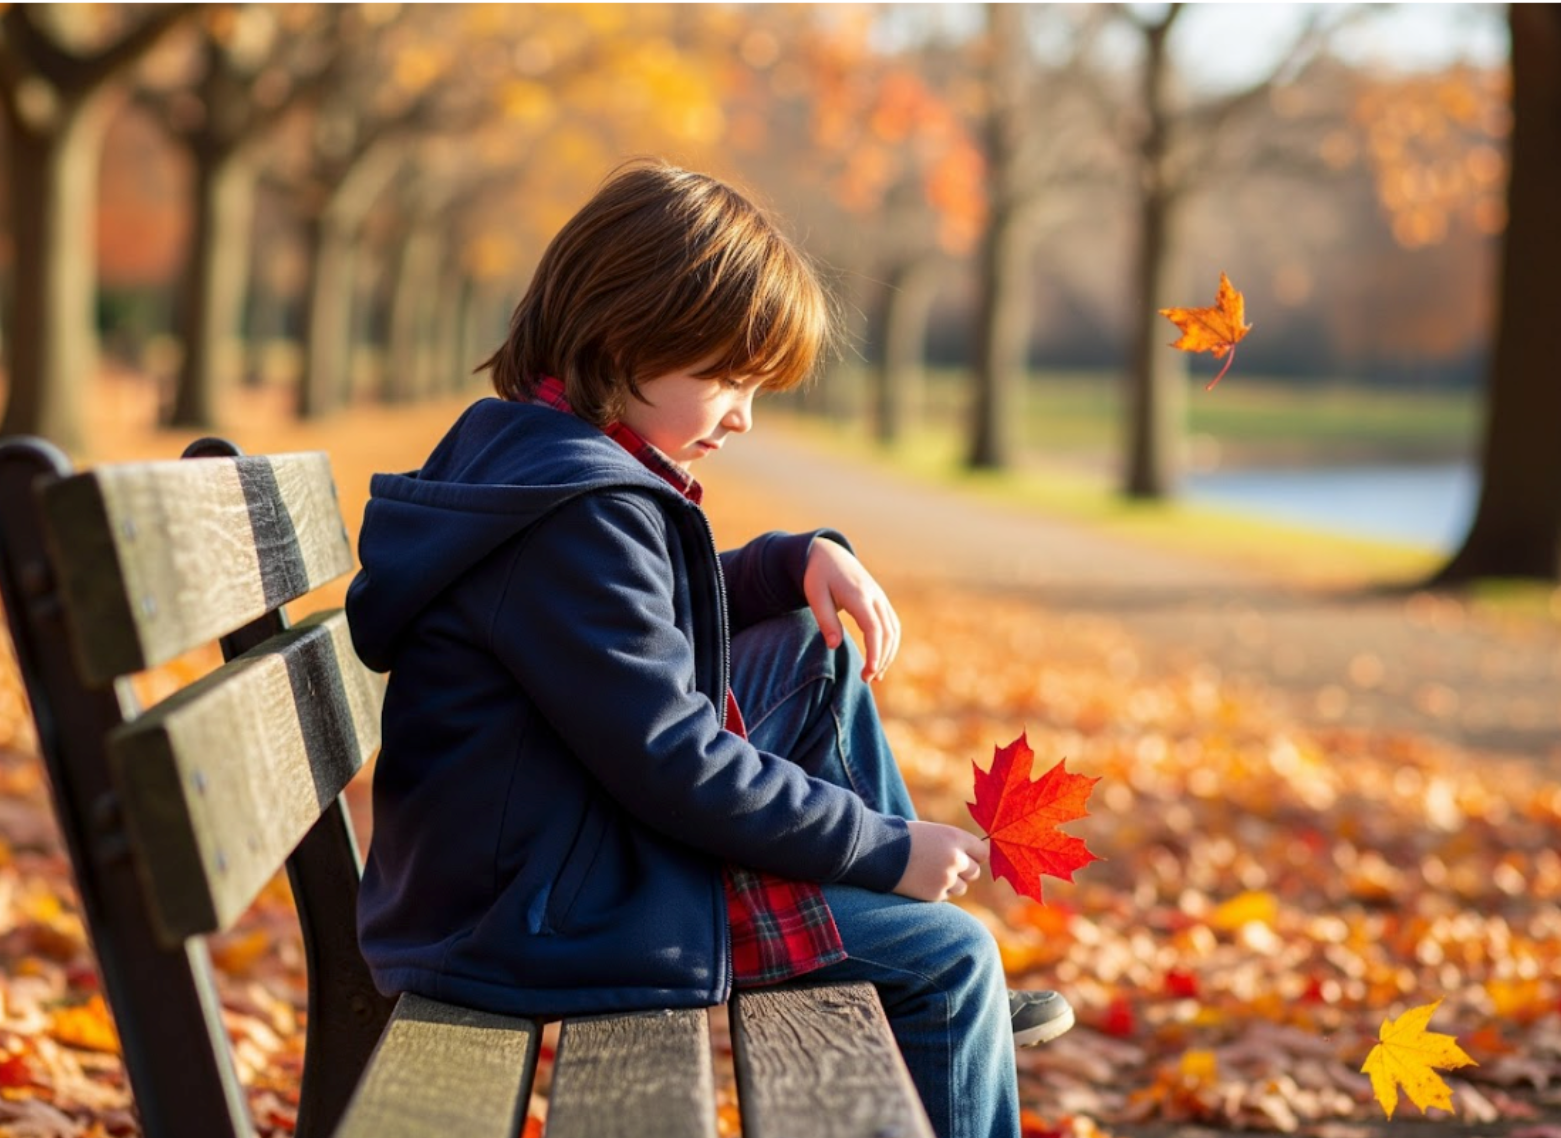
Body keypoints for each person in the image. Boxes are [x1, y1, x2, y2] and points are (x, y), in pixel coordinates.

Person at [344, 159, 1072, 1138]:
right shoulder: (575, 514)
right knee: (955, 964)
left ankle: (898, 932)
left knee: (813, 651)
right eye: (728, 378)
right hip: (540, 914)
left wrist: (789, 563)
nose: (744, 416)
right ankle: (919, 952)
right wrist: (885, 847)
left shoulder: (534, 455)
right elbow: (674, 759)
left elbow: (634, 629)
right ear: (625, 338)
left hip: (535, 856)